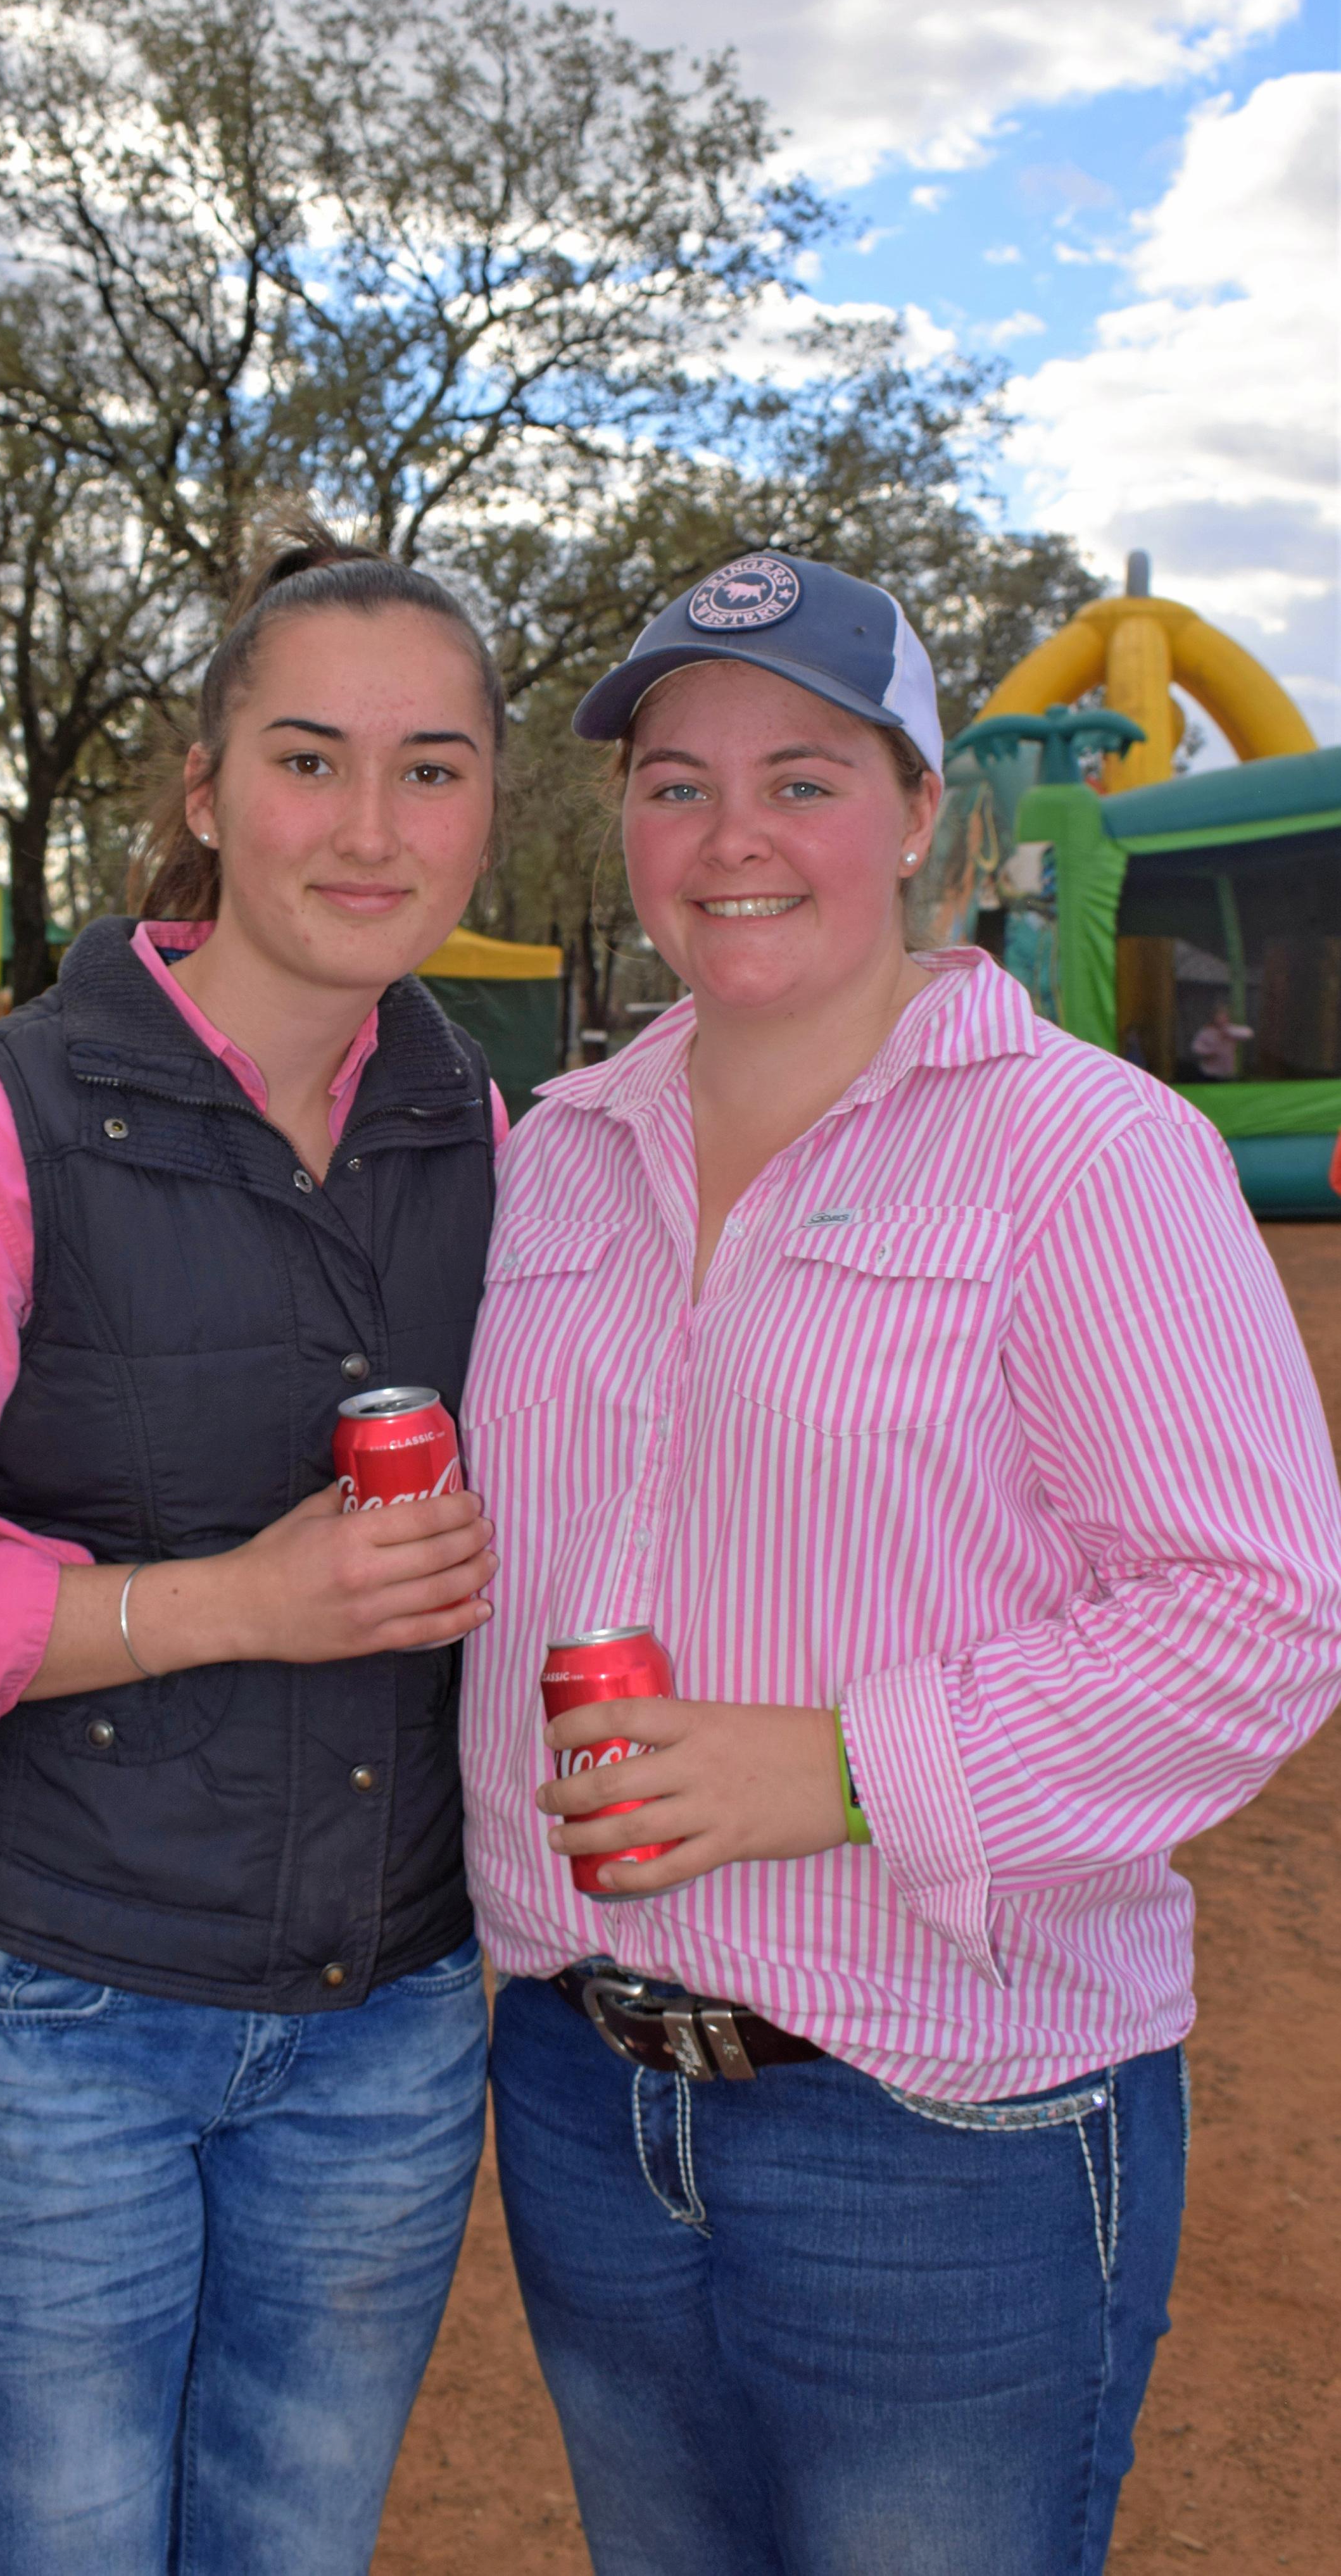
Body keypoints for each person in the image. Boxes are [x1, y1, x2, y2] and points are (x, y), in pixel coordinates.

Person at [458, 552, 1341, 2576]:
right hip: (588, 2089)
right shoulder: (554, 1156)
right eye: (677, 784)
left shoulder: (1089, 1152)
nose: (733, 835)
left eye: (805, 777)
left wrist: (840, 1762)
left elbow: (1260, 1615)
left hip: (946, 2109)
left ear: (928, 813)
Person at [0, 520, 508, 2576]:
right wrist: (230, 1604)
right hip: (52, 2031)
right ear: (200, 786)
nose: (369, 825)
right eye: (306, 757)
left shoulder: (487, 1131)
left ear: (489, 808)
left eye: (430, 766)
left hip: (393, 2032)